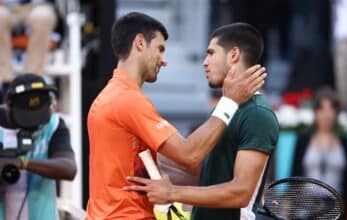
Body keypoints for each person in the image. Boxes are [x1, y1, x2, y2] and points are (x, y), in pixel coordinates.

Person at [86, 12, 267, 219]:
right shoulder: (128, 100)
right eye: (160, 49)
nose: (164, 61)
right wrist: (229, 102)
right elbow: (189, 156)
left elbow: (174, 165)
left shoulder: (109, 96)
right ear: (139, 43)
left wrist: (175, 191)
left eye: (211, 54)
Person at [126, 23, 279, 220]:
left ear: (233, 55)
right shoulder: (226, 109)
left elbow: (241, 192)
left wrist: (172, 192)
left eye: (211, 53)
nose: (205, 62)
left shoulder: (257, 114)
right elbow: (208, 176)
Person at [0, 73, 76, 219]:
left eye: (37, 115)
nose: (33, 123)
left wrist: (23, 163)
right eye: (26, 116)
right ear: (9, 102)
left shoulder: (52, 125)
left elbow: (69, 168)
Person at [291, 87, 347, 220]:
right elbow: (293, 178)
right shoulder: (303, 140)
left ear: (336, 113)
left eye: (331, 110)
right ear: (315, 112)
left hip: (336, 208)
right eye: (322, 110)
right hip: (305, 208)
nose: (326, 115)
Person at [0, 1, 57, 83]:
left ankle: (30, 81)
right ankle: (5, 82)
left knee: (43, 16)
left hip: (38, 5)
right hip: (6, 7)